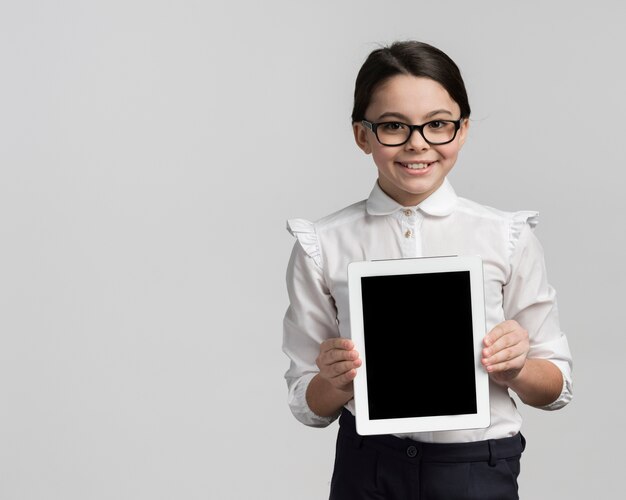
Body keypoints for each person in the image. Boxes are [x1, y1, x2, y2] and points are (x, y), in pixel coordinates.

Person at [282, 40, 573, 500]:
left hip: (476, 469)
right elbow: (308, 403)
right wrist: (333, 381)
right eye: (394, 126)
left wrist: (516, 368)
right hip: (368, 467)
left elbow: (555, 386)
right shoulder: (323, 244)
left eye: (438, 124)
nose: (418, 142)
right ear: (363, 135)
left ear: (462, 130)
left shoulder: (505, 236)